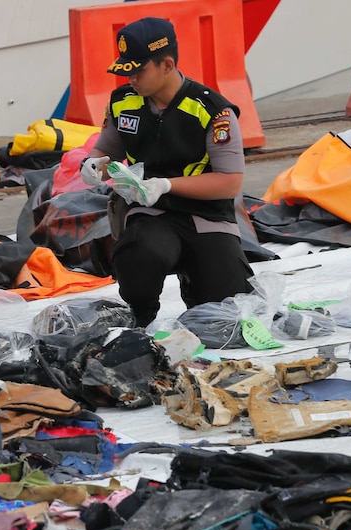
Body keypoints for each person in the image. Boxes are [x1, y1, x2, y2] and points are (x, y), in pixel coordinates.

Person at [80, 17, 255, 328]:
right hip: (152, 215)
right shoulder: (123, 102)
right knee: (138, 254)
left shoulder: (212, 110)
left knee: (227, 315)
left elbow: (230, 182)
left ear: (167, 64)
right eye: (126, 70)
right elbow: (108, 150)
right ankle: (141, 317)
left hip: (207, 218)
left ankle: (198, 282)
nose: (130, 78)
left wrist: (166, 184)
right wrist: (94, 165)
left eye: (138, 70)